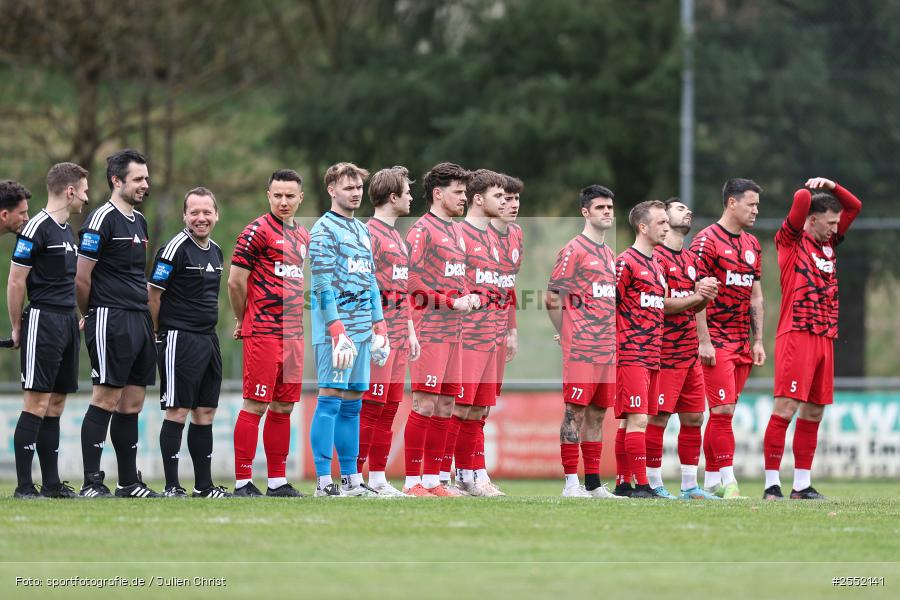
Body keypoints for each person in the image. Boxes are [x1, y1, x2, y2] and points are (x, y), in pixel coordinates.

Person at [762, 178, 861, 500]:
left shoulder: (829, 244)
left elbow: (855, 206)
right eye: (829, 222)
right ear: (812, 219)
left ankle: (802, 485)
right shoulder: (790, 241)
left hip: (824, 335)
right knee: (786, 408)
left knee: (815, 411)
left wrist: (832, 186)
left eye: (837, 223)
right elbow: (802, 197)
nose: (835, 228)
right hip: (797, 334)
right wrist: (813, 187)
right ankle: (771, 485)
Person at [77, 149, 159, 498]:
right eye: (138, 178)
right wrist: (89, 314)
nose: (145, 184)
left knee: (132, 404)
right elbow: (81, 278)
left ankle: (128, 482)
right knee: (106, 398)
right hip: (110, 317)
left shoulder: (139, 221)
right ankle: (92, 482)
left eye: (146, 178)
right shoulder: (100, 220)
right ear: (116, 180)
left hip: (139, 318)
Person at [307, 162, 389, 497]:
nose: (355, 193)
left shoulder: (362, 230)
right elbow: (321, 285)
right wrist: (336, 329)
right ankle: (323, 481)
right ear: (331, 190)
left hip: (362, 331)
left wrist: (379, 324)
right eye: (348, 188)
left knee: (354, 403)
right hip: (336, 333)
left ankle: (351, 479)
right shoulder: (323, 230)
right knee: (330, 400)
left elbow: (370, 281)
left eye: (358, 188)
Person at [228, 169, 309, 497]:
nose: (283, 201)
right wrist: (242, 319)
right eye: (277, 195)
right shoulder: (256, 231)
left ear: (300, 197)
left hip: (294, 336)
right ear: (268, 196)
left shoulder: (303, 235)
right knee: (255, 405)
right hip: (263, 331)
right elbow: (235, 282)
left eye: (290, 196)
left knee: (283, 407)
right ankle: (243, 482)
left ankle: (277, 481)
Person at [9, 163, 87, 498]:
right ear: (70, 191)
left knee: (56, 404)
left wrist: (77, 315)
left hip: (67, 322)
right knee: (37, 403)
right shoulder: (35, 228)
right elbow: (15, 282)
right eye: (83, 191)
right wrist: (17, 327)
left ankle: (52, 484)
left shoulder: (67, 230)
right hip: (43, 321)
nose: (86, 197)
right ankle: (24, 486)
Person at [149, 187, 230, 498]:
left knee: (205, 411)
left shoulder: (216, 251)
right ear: (185, 215)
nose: (201, 218)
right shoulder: (174, 249)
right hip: (178, 338)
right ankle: (172, 486)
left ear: (216, 215)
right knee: (178, 410)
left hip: (208, 339)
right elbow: (153, 296)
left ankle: (204, 486)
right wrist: (159, 334)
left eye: (207, 212)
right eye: (194, 212)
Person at [689, 179, 765, 499]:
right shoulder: (706, 241)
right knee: (721, 411)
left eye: (757, 205)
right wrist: (703, 340)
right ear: (732, 203)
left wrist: (758, 340)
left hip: (741, 343)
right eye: (751, 204)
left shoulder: (752, 244)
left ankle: (711, 483)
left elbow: (756, 296)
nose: (756, 210)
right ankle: (729, 481)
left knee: (725, 412)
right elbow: (697, 294)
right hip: (716, 340)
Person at [402, 162, 474, 497]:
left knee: (446, 406)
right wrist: (450, 302)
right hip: (429, 330)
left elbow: (455, 277)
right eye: (458, 192)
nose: (464, 198)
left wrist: (469, 296)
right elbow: (411, 280)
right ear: (438, 194)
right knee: (424, 404)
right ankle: (411, 481)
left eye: (464, 192)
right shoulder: (421, 230)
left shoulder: (457, 231)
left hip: (454, 332)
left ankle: (433, 480)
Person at [545, 185, 621, 499]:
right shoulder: (574, 250)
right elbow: (552, 297)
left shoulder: (608, 254)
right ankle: (570, 484)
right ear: (585, 212)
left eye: (610, 207)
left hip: (607, 349)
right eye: (600, 207)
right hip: (581, 349)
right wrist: (567, 332)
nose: (607, 212)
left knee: (598, 414)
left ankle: (593, 483)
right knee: (574, 412)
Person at [648, 198, 720, 499]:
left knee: (694, 418)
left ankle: (690, 485)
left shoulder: (691, 259)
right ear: (664, 219)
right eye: (679, 208)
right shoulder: (656, 257)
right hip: (664, 352)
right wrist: (698, 297)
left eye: (688, 209)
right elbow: (661, 305)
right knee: (658, 418)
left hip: (689, 352)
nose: (688, 211)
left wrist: (707, 296)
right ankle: (652, 483)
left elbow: (695, 306)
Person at [357, 166, 420, 497]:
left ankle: (379, 477)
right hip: (378, 336)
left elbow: (402, 290)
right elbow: (361, 287)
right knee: (371, 406)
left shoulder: (397, 237)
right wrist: (373, 329)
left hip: (398, 336)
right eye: (407, 193)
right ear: (393, 197)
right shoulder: (369, 235)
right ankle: (354, 477)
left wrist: (409, 331)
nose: (411, 198)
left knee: (390, 407)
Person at [447, 169, 506, 496]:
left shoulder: (493, 239)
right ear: (479, 199)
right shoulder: (459, 234)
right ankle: (444, 475)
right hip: (466, 336)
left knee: (478, 410)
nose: (505, 201)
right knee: (459, 407)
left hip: (490, 336)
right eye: (499, 196)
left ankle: (472, 475)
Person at [613, 200, 669, 499]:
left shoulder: (657, 265)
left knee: (630, 420)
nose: (667, 227)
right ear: (643, 227)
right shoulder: (626, 262)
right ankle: (643, 485)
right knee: (638, 419)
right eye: (661, 222)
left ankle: (624, 483)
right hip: (631, 351)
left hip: (652, 353)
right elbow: (609, 305)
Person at [474, 174, 524, 490]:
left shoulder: (516, 235)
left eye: (516, 199)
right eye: (505, 198)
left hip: (497, 331)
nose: (512, 204)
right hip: (474, 332)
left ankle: (475, 472)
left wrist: (512, 329)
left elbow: (509, 287)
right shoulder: (479, 234)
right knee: (466, 405)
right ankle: (464, 471)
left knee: (484, 405)